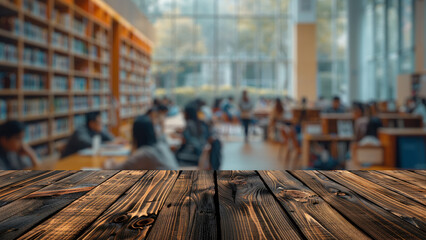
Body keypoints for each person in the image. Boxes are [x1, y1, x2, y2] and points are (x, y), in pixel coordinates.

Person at [104, 115, 179, 170]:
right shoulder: (161, 145)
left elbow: (116, 170)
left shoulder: (145, 153)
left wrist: (108, 162)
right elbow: (129, 164)